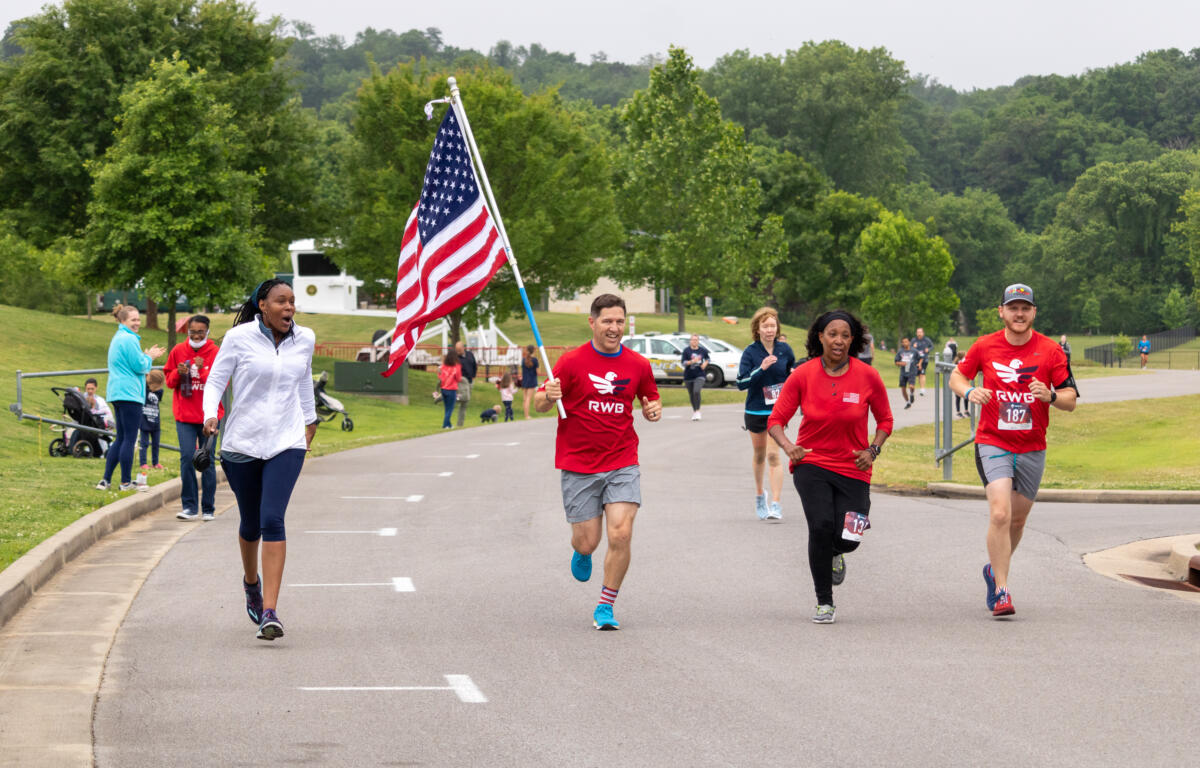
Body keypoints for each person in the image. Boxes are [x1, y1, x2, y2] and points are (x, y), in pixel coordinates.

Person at [949, 283, 1077, 618]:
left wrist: (1050, 395)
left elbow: (1070, 400)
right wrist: (969, 392)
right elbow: (957, 377)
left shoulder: (1051, 351)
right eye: (1013, 308)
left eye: (1025, 308)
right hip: (993, 441)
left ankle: (994, 570)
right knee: (1000, 514)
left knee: (1017, 520)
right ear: (1001, 312)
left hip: (1032, 447)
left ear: (1034, 312)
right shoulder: (985, 345)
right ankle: (1002, 591)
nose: (1019, 314)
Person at [535, 294, 661, 631]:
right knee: (587, 540)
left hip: (622, 460)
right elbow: (539, 403)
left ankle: (605, 605)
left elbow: (651, 398)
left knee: (621, 533)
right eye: (607, 321)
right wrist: (548, 396)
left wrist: (653, 410)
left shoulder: (638, 364)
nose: (614, 327)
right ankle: (582, 550)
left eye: (619, 321)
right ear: (592, 322)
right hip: (579, 464)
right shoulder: (571, 362)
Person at [203, 279, 318, 642]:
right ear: (263, 305)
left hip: (287, 441)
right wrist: (210, 414)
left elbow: (303, 381)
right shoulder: (239, 338)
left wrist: (310, 420)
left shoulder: (305, 338)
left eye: (292, 301)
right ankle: (251, 582)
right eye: (281, 301)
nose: (289, 307)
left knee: (272, 519)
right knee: (251, 523)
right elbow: (215, 381)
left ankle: (270, 611)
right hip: (242, 443)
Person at [768, 310, 893, 624]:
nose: (839, 340)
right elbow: (776, 421)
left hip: (854, 466)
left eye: (845, 335)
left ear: (853, 340)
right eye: (833, 334)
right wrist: (789, 447)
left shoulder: (868, 376)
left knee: (851, 537)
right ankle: (824, 601)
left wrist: (873, 450)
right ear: (820, 337)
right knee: (821, 526)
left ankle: (836, 552)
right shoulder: (803, 374)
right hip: (812, 463)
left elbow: (885, 420)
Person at [96, 305, 165, 491]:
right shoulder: (130, 338)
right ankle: (125, 482)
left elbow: (132, 362)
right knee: (129, 439)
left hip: (117, 392)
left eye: (138, 319)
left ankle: (106, 480)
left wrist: (145, 356)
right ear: (123, 321)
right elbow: (140, 366)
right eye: (133, 320)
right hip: (129, 394)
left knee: (120, 438)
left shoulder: (118, 337)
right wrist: (150, 357)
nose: (137, 323)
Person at [737, 307, 796, 521]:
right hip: (755, 409)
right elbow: (741, 383)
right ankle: (760, 495)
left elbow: (792, 374)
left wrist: (794, 376)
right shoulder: (750, 352)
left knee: (773, 455)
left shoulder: (785, 350)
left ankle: (776, 504)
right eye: (765, 326)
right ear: (758, 329)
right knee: (760, 455)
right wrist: (760, 368)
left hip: (777, 411)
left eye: (773, 326)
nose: (770, 330)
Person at [164, 315, 224, 522]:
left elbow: (221, 382)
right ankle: (189, 507)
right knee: (187, 457)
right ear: (187, 331)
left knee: (206, 460)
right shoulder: (178, 351)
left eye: (200, 332)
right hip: (185, 416)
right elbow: (169, 382)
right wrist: (178, 373)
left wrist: (202, 369)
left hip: (209, 417)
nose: (196, 336)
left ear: (207, 332)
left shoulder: (215, 352)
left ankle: (208, 508)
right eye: (192, 332)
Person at [137, 369, 165, 473]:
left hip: (156, 422)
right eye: (155, 386)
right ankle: (143, 463)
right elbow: (142, 382)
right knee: (144, 444)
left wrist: (156, 387)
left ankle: (155, 462)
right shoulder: (144, 389)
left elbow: (159, 393)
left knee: (156, 444)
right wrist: (147, 378)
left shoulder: (159, 392)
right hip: (144, 421)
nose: (157, 389)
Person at [681, 333, 709, 421]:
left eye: (696, 340)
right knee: (691, 394)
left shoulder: (702, 350)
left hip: (700, 375)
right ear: (690, 341)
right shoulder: (686, 351)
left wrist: (705, 364)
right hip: (688, 376)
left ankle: (698, 411)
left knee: (696, 391)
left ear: (698, 341)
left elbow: (708, 358)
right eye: (693, 340)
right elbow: (683, 363)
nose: (694, 341)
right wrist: (692, 361)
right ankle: (695, 411)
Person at [454, 339, 477, 428]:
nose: (458, 352)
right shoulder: (455, 358)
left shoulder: (470, 354)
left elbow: (474, 365)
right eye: (457, 350)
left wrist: (474, 375)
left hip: (470, 381)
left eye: (459, 350)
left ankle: (460, 424)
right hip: (461, 383)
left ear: (463, 348)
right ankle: (447, 398)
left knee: (465, 403)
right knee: (462, 400)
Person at [437, 350, 461, 429]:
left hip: (443, 389)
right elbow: (458, 378)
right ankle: (445, 425)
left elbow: (439, 376)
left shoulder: (443, 366)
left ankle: (449, 424)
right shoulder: (456, 367)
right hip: (452, 389)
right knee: (450, 409)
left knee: (447, 408)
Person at [894, 338, 917, 409]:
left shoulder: (914, 351)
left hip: (912, 371)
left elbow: (920, 358)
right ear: (902, 343)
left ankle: (912, 394)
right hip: (903, 373)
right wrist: (901, 363)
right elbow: (896, 362)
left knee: (911, 386)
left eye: (906, 342)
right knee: (903, 389)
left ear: (909, 342)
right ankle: (908, 402)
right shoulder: (900, 351)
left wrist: (919, 364)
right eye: (903, 342)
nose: (905, 343)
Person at [913, 327, 934, 395]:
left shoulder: (927, 340)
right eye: (918, 332)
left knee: (922, 373)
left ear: (923, 333)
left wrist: (928, 349)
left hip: (924, 359)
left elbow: (932, 346)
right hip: (915, 360)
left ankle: (922, 389)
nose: (919, 333)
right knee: (916, 374)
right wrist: (913, 347)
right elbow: (909, 348)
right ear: (916, 333)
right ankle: (913, 388)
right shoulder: (914, 340)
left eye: (920, 332)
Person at [521, 344, 539, 419]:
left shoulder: (523, 360)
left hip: (525, 380)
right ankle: (527, 415)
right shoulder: (535, 360)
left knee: (525, 399)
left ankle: (525, 415)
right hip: (532, 380)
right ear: (534, 350)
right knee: (528, 398)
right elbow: (537, 372)